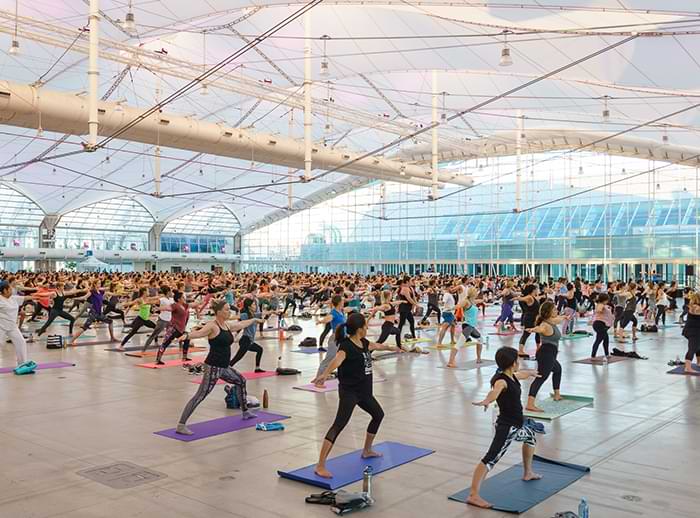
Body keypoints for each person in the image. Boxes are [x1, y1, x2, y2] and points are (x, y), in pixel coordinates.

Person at [311, 312, 401, 478]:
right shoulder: (346, 346)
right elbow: (336, 361)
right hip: (350, 393)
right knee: (339, 425)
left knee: (378, 414)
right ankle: (320, 465)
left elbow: (377, 346)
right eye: (366, 326)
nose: (367, 328)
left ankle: (367, 450)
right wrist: (324, 374)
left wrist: (392, 347)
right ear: (360, 329)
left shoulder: (364, 342)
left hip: (365, 392)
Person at [174, 300, 264, 435]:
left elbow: (240, 324)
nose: (229, 312)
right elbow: (199, 333)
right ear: (219, 312)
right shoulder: (213, 326)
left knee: (241, 381)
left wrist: (254, 320)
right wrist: (186, 336)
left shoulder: (226, 325)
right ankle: (181, 425)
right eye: (227, 309)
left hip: (224, 367)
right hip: (213, 368)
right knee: (200, 395)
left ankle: (245, 412)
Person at [467, 346, 541, 509]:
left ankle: (528, 472)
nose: (519, 362)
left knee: (530, 437)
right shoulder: (501, 381)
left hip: (517, 423)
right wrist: (487, 400)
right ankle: (473, 495)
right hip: (507, 426)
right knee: (491, 458)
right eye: (518, 359)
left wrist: (530, 373)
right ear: (513, 362)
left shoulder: (510, 376)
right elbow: (495, 392)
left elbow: (519, 376)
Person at [523, 301, 569, 412]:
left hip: (550, 353)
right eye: (554, 309)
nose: (556, 311)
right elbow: (540, 329)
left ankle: (557, 394)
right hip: (546, 354)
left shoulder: (552, 321)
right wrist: (533, 329)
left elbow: (558, 319)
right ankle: (530, 404)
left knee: (558, 369)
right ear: (548, 312)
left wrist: (565, 317)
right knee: (541, 377)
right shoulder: (544, 324)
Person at [0, 280, 39, 366]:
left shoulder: (13, 298)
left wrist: (41, 296)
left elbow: (26, 298)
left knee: (21, 342)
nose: (12, 290)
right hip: (1, 327)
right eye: (10, 289)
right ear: (5, 290)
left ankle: (22, 363)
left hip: (12, 327)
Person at [315, 295, 347, 384]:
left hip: (343, 338)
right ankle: (318, 378)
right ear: (339, 302)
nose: (343, 302)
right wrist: (321, 321)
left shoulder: (341, 312)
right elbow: (328, 318)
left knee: (343, 358)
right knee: (329, 359)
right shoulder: (334, 313)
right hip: (335, 339)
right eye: (342, 301)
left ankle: (341, 375)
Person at [447, 287, 482, 368]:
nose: (477, 293)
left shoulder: (472, 301)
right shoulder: (466, 302)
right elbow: (458, 305)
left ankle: (479, 358)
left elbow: (478, 301)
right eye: (476, 292)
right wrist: (449, 308)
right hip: (467, 326)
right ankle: (450, 362)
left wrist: (483, 301)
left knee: (480, 339)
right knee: (459, 344)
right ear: (474, 294)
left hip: (472, 326)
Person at [229, 297, 267, 372]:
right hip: (245, 340)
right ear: (249, 306)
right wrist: (226, 317)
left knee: (259, 349)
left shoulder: (254, 314)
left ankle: (257, 368)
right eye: (253, 305)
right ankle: (227, 367)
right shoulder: (245, 315)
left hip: (250, 341)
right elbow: (236, 317)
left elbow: (264, 313)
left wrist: (274, 312)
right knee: (237, 357)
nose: (255, 306)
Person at [141, 285, 174, 352]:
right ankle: (143, 350)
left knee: (172, 334)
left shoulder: (171, 299)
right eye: (170, 291)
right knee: (154, 335)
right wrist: (146, 302)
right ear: (168, 292)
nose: (171, 292)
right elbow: (154, 302)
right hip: (162, 320)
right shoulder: (162, 299)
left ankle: (168, 347)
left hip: (170, 320)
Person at [516, 285, 540, 358]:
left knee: (538, 332)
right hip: (530, 318)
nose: (537, 290)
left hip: (535, 318)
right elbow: (522, 299)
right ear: (533, 290)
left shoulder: (533, 297)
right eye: (536, 289)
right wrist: (516, 298)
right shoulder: (529, 297)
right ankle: (520, 350)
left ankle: (538, 349)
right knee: (526, 333)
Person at [681, 292, 700, 374]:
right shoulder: (696, 307)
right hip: (693, 331)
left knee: (698, 346)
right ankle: (687, 368)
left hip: (693, 330)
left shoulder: (691, 306)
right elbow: (696, 311)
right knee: (692, 348)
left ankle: (699, 362)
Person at [590, 293, 613, 360]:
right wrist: (600, 309)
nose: (607, 301)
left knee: (606, 339)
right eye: (607, 300)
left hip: (601, 324)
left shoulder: (603, 305)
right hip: (599, 324)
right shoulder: (600, 304)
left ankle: (607, 354)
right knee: (598, 340)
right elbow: (598, 310)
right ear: (604, 300)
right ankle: (593, 356)